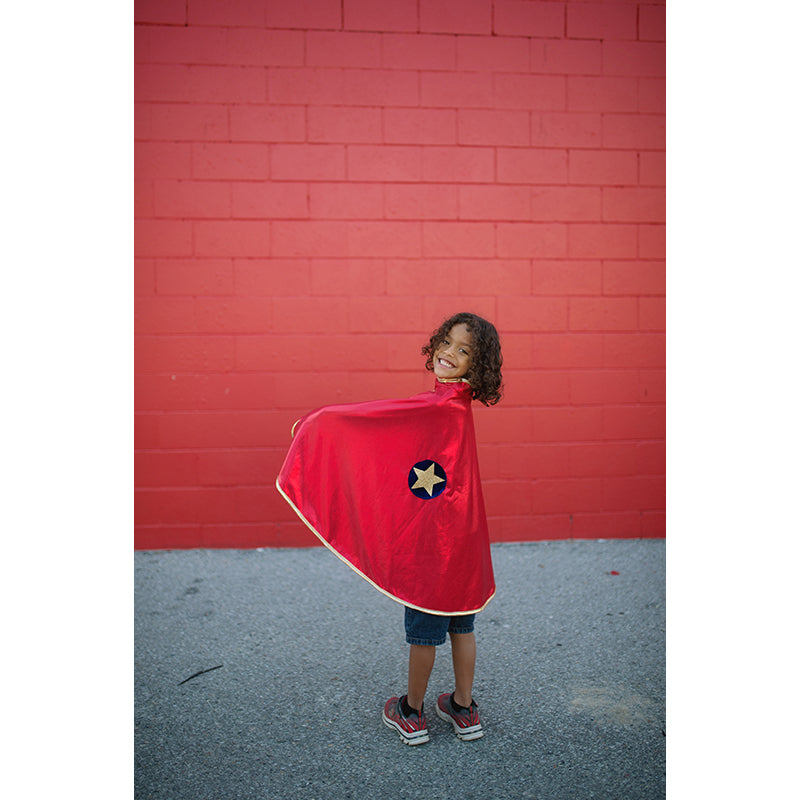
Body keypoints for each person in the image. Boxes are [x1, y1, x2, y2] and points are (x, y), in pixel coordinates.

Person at [276, 312, 503, 746]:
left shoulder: (437, 406)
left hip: (432, 548)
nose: (449, 353)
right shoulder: (456, 407)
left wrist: (318, 422)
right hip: (463, 545)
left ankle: (411, 712)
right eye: (447, 342)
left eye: (463, 351)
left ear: (478, 366)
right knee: (462, 626)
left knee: (424, 632)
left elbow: (374, 419)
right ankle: (463, 708)